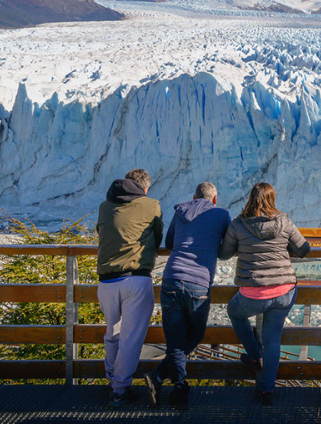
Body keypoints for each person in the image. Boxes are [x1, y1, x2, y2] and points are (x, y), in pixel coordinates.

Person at [219, 182, 311, 406]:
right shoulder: (284, 222)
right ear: (272, 199)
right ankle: (268, 390)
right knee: (272, 340)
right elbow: (303, 249)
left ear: (251, 199)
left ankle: (253, 355)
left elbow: (224, 254)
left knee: (235, 312)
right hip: (284, 291)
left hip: (253, 294)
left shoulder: (238, 224)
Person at [146, 182, 230, 410]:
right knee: (195, 335)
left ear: (193, 197)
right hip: (198, 284)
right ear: (214, 199)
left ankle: (167, 382)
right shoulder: (221, 214)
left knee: (175, 340)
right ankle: (173, 385)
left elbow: (170, 243)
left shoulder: (181, 211)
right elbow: (227, 249)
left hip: (172, 278)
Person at [95, 168, 162, 410]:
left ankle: (112, 380)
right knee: (131, 339)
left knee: (112, 334)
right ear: (144, 188)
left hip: (106, 281)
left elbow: (101, 232)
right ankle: (119, 389)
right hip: (136, 279)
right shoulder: (151, 204)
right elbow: (158, 236)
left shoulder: (104, 206)